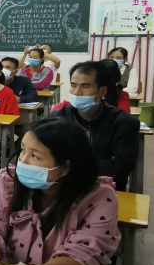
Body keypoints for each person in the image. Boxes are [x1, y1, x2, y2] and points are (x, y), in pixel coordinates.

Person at [0, 118, 120, 265]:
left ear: (65, 167)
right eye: (23, 150)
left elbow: (84, 257)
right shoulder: (7, 183)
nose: (22, 161)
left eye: (35, 156)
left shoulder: (99, 199)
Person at [50, 61, 139, 191]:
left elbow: (121, 166)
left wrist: (71, 167)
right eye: (73, 85)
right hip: (63, 187)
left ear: (102, 91)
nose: (77, 92)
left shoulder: (123, 122)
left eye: (85, 86)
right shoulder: (58, 117)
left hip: (105, 190)